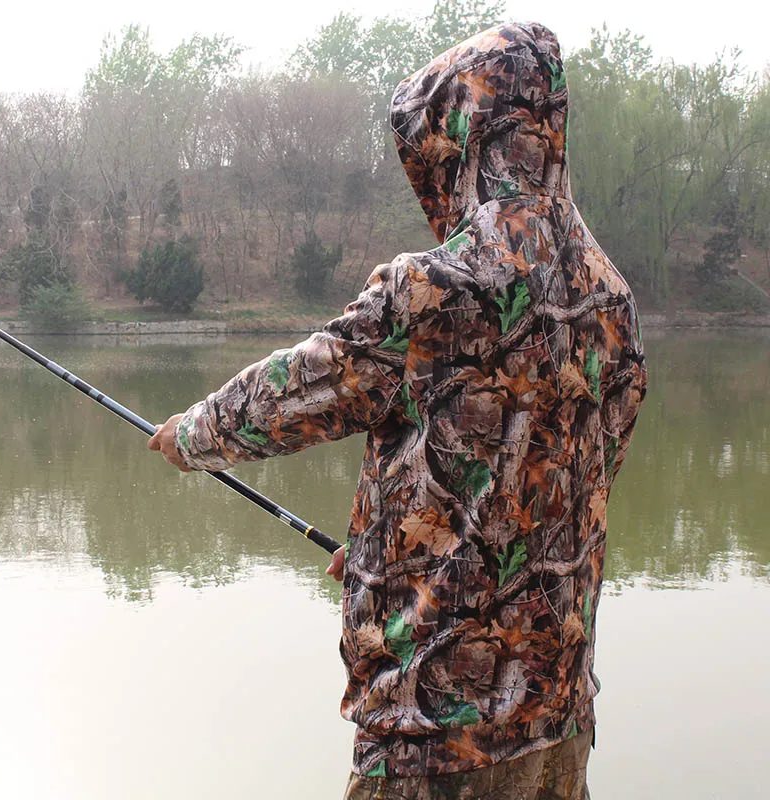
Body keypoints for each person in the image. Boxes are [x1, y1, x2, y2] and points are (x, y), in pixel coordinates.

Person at [149, 22, 647, 800]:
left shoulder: (437, 287)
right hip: (559, 723)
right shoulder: (609, 298)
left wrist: (191, 435)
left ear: (459, 139)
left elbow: (302, 387)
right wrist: (392, 552)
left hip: (435, 739)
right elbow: (560, 487)